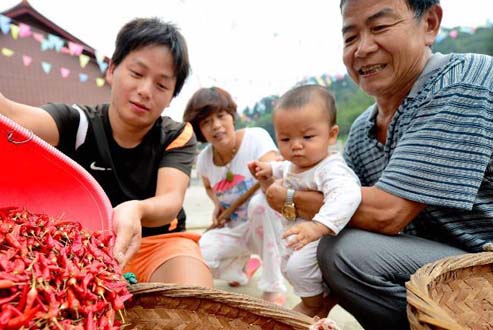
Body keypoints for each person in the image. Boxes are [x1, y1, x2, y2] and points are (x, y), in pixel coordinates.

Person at [0, 16, 213, 287]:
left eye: (161, 85)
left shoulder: (176, 133)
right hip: (89, 245)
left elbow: (170, 201)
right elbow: (10, 114)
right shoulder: (79, 122)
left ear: (172, 96)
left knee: (194, 292)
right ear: (112, 70)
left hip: (158, 244)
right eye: (137, 73)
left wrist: (136, 210)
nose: (145, 90)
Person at [263, 1, 493, 329]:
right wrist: (310, 312)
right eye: (350, 37)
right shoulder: (361, 131)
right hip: (438, 269)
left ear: (429, 23)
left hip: (483, 273)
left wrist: (288, 199)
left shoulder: (464, 82)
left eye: (380, 27)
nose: (363, 48)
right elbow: (353, 216)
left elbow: (386, 213)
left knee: (344, 250)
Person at [249, 85, 361, 318]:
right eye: (286, 138)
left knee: (298, 267)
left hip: (322, 235)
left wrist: (317, 226)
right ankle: (317, 298)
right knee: (288, 266)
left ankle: (313, 305)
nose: (296, 145)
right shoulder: (295, 163)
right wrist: (268, 168)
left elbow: (348, 195)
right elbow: (284, 168)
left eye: (307, 137)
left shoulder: (330, 169)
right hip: (297, 232)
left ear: (331, 135)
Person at [183, 87, 287, 305]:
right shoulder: (204, 160)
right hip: (236, 229)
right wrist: (217, 205)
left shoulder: (255, 138)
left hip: (271, 228)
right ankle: (240, 270)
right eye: (206, 121)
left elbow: (276, 177)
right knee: (196, 257)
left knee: (260, 204)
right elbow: (209, 186)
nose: (216, 126)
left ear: (232, 116)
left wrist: (267, 170)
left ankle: (273, 285)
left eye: (221, 116)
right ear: (200, 129)